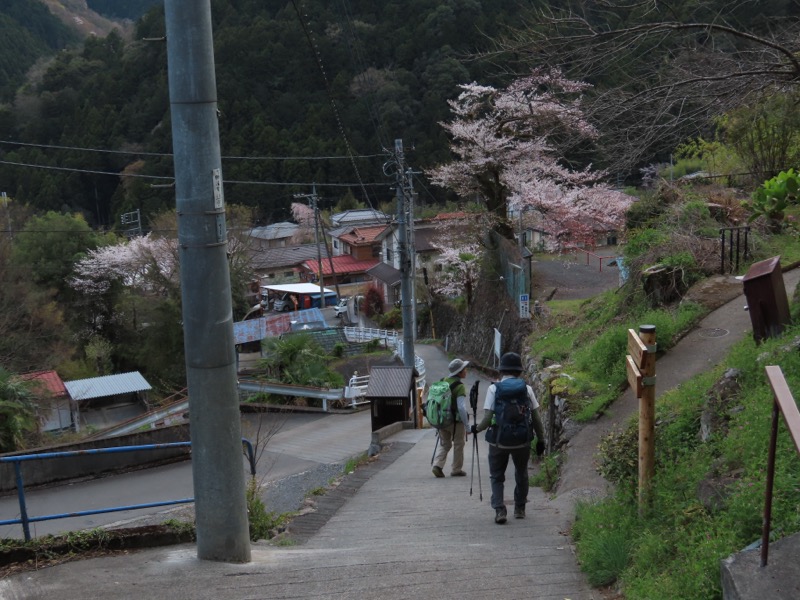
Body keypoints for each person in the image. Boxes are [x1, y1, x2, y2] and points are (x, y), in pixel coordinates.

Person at [471, 352, 545, 524]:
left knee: (497, 475)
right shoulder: (526, 389)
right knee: (521, 473)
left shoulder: (493, 389)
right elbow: (536, 418)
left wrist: (476, 429)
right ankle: (519, 508)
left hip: (499, 441)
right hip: (522, 440)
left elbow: (488, 418)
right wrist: (541, 440)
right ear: (519, 371)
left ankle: (500, 510)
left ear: (502, 371)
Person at [432, 358, 471, 478]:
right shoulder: (459, 386)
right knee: (459, 444)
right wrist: (467, 425)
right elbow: (461, 408)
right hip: (455, 421)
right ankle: (456, 469)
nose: (466, 371)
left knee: (445, 444)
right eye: (464, 369)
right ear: (459, 372)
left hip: (441, 420)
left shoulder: (442, 381)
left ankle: (437, 465)